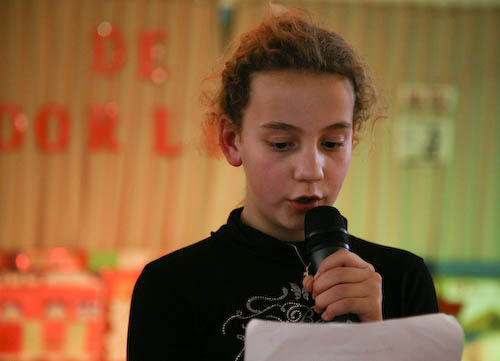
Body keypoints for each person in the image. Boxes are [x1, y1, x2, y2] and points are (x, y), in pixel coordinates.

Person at [127, 7, 438, 361]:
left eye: (332, 143)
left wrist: (378, 334)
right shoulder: (173, 287)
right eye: (281, 143)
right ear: (232, 141)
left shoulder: (401, 279)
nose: (311, 170)